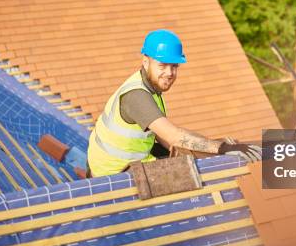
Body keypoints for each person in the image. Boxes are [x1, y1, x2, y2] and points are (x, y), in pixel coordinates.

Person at [87, 29, 261, 177]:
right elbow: (174, 137)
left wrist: (215, 146)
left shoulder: (149, 87)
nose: (170, 73)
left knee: (188, 156)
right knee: (190, 176)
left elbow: (167, 138)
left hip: (124, 162)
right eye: (162, 65)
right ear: (146, 62)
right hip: (113, 174)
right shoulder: (137, 96)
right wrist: (222, 149)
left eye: (174, 66)